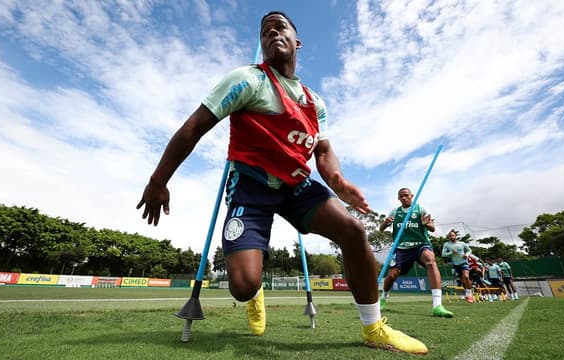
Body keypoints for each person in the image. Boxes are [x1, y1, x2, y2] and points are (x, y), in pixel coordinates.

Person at [136, 11, 427, 354]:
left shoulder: (314, 102)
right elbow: (193, 128)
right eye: (265, 31)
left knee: (353, 230)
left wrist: (336, 179)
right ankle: (254, 292)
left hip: (295, 187)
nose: (272, 32)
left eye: (280, 26)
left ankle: (374, 328)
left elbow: (324, 150)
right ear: (262, 44)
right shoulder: (247, 80)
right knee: (243, 286)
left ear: (297, 41)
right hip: (250, 187)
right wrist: (159, 180)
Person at [379, 187, 453, 318]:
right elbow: (381, 229)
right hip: (401, 248)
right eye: (401, 196)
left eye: (406, 195)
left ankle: (437, 306)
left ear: (412, 196)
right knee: (391, 276)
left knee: (430, 260)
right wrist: (385, 223)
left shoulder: (421, 209)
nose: (404, 198)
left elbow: (432, 228)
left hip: (420, 245)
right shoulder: (395, 212)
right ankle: (384, 297)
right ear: (398, 198)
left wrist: (426, 224)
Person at [441, 230, 474, 303]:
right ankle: (467, 292)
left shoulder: (462, 243)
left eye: (452, 235)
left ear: (455, 236)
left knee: (466, 276)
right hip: (456, 264)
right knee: (462, 280)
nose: (451, 237)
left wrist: (467, 255)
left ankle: (470, 294)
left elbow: (469, 250)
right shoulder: (446, 244)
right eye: (450, 236)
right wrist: (451, 252)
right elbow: (443, 254)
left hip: (464, 262)